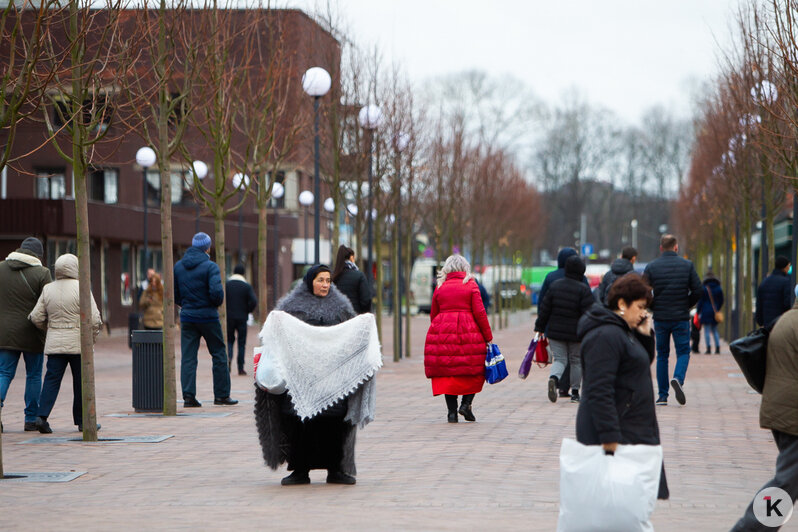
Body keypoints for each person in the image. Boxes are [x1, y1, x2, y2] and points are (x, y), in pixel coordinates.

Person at [254, 264, 381, 486]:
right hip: (301, 380)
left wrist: (364, 326)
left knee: (334, 424)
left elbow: (351, 335)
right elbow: (280, 339)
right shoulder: (291, 307)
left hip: (333, 380)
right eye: (320, 280)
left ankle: (337, 470)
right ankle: (300, 471)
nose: (325, 285)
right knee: (301, 424)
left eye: (328, 280)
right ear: (310, 281)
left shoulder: (341, 306)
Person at [576, 273, 669, 501]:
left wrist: (645, 336)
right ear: (621, 304)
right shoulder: (605, 335)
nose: (643, 313)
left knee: (629, 506)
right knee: (614, 507)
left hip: (630, 427)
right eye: (639, 307)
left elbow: (637, 365)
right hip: (616, 433)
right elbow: (599, 389)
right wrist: (609, 439)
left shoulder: (622, 330)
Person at [730, 298, 798, 531]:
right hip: (793, 415)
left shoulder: (787, 319)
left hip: (785, 410)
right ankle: (749, 528)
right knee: (786, 483)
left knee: (789, 482)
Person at [28, 254, 102, 433]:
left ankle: (41, 416)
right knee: (81, 382)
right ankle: (83, 421)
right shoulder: (81, 288)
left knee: (51, 381)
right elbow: (94, 319)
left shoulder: (48, 289)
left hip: (55, 344)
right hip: (79, 344)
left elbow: (35, 317)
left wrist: (51, 329)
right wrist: (92, 338)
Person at [424, 255, 493, 423]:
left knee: (448, 372)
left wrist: (439, 328)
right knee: (474, 369)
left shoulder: (440, 287)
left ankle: (451, 412)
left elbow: (433, 313)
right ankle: (466, 404)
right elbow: (480, 313)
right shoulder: (470, 285)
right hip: (469, 331)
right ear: (465, 268)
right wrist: (488, 337)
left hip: (443, 330)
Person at [174, 232, 237, 408]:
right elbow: (217, 294)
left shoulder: (178, 267)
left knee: (188, 357)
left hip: (187, 317)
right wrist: (214, 304)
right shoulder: (211, 267)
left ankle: (188, 396)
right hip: (208, 317)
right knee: (218, 354)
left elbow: (175, 294)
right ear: (207, 247)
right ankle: (222, 395)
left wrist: (185, 304)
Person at [0, 237, 52, 432]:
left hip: (4, 332)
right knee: (34, 375)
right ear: (38, 255)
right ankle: (30, 419)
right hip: (32, 331)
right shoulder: (42, 273)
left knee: (4, 372)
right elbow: (48, 302)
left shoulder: (1, 268)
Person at [643, 234, 702, 406]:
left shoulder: (652, 267)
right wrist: (687, 305)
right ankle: (678, 378)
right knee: (683, 351)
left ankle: (662, 396)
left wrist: (654, 307)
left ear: (661, 248)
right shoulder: (687, 265)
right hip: (681, 317)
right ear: (676, 247)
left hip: (661, 317)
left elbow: (643, 291)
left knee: (662, 355)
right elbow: (698, 290)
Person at [535, 255, 594, 403]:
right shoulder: (583, 289)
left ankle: (554, 378)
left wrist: (540, 327)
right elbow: (589, 312)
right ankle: (575, 393)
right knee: (576, 361)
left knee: (560, 359)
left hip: (555, 331)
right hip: (577, 333)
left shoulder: (555, 286)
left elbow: (545, 309)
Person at [226, 264, 257, 376]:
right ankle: (240, 367)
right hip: (242, 317)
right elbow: (254, 301)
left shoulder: (227, 285)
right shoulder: (246, 286)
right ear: (243, 273)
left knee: (229, 340)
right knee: (241, 343)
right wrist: (247, 310)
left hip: (228, 317)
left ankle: (228, 358)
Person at [331, 245, 372, 314]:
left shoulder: (333, 276)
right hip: (355, 317)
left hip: (337, 318)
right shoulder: (359, 275)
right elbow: (366, 300)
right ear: (351, 257)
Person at [755, 255, 793, 328]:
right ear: (784, 267)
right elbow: (788, 304)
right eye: (788, 266)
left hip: (767, 325)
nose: (789, 269)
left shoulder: (764, 282)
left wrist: (760, 322)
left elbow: (759, 304)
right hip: (781, 324)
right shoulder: (786, 282)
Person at [696, 271, 723, 354]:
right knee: (715, 330)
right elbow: (721, 300)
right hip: (715, 312)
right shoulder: (718, 288)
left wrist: (698, 311)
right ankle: (717, 348)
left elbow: (700, 301)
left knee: (707, 330)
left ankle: (708, 348)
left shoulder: (704, 288)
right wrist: (718, 308)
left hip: (705, 311)